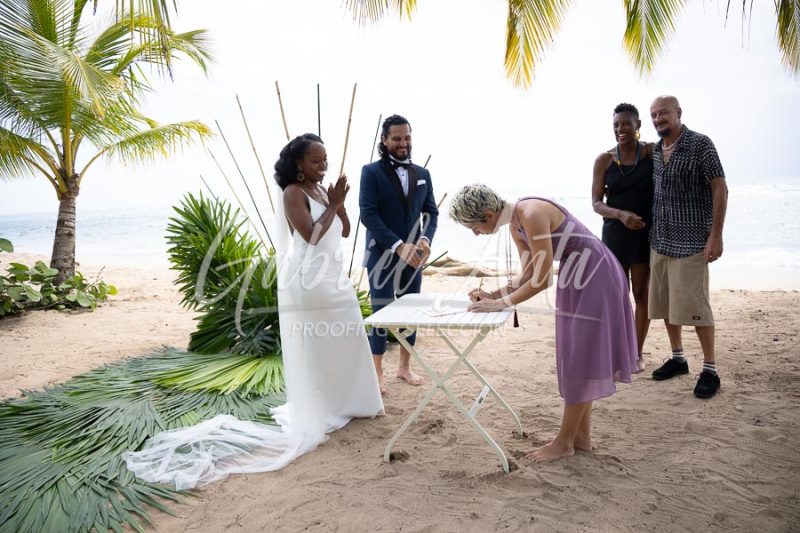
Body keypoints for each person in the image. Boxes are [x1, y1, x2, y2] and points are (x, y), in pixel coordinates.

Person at [123, 134, 383, 489]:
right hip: (310, 280)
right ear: (298, 164)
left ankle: (351, 402)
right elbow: (310, 237)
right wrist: (333, 204)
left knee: (348, 339)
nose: (323, 165)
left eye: (325, 158)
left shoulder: (324, 191)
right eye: (315, 160)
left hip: (335, 276)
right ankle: (326, 408)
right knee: (322, 346)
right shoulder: (293, 193)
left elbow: (345, 230)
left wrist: (339, 204)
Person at [450, 184, 638, 463]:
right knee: (578, 357)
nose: (476, 233)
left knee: (580, 358)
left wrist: (503, 303)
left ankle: (564, 442)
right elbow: (528, 273)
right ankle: (581, 437)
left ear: (488, 215)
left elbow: (542, 278)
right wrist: (494, 294)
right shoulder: (516, 224)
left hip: (596, 276)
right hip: (577, 277)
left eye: (473, 227)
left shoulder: (531, 213)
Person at [647, 96, 728, 399]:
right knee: (666, 305)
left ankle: (710, 369)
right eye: (654, 115)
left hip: (692, 242)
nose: (658, 119)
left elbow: (720, 188)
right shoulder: (656, 151)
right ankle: (678, 359)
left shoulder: (700, 144)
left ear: (678, 113)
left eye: (664, 113)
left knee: (697, 308)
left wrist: (715, 235)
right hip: (660, 241)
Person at [359, 115, 439, 394]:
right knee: (381, 312)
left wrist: (425, 239)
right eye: (396, 139)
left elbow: (431, 212)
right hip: (381, 254)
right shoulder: (370, 172)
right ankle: (377, 372)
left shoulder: (423, 174)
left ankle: (404, 367)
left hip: (414, 256)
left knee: (411, 309)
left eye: (407, 138)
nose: (403, 143)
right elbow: (368, 214)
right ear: (384, 140)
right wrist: (397, 245)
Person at [592, 103, 654, 370]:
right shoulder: (604, 160)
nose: (621, 129)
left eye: (626, 123)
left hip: (643, 232)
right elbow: (596, 203)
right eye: (616, 125)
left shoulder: (651, 153)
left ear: (638, 124)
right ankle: (618, 350)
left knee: (641, 292)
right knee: (618, 294)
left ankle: (636, 353)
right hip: (615, 234)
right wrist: (621, 215)